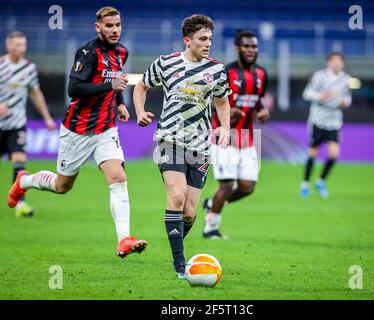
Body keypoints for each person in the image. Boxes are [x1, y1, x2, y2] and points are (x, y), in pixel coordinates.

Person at [7, 6, 147, 257]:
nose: (114, 30)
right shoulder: (88, 53)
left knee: (118, 178)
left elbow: (116, 83)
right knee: (62, 186)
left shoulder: (121, 52)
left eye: (117, 25)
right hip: (78, 130)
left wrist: (121, 103)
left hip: (106, 128)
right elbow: (74, 88)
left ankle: (124, 239)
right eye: (109, 26)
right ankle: (25, 180)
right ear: (98, 27)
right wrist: (109, 84)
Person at [133, 14, 231, 279]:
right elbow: (141, 86)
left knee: (188, 212)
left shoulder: (217, 70)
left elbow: (222, 101)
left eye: (210, 38)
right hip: (170, 140)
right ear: (188, 41)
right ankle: (179, 265)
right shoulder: (166, 63)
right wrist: (140, 111)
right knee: (175, 197)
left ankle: (176, 243)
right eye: (202, 39)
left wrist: (224, 127)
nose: (208, 43)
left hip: (200, 145)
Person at [202, 30, 269, 239]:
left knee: (248, 187)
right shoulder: (225, 72)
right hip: (223, 136)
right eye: (247, 46)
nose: (251, 50)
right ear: (237, 48)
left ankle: (212, 204)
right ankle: (211, 227)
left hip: (247, 138)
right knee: (227, 184)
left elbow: (256, 98)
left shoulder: (261, 74)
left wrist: (261, 110)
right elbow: (207, 101)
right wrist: (226, 111)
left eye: (254, 47)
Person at [0, 31, 56, 217]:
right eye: (17, 45)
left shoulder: (28, 68)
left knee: (19, 162)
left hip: (17, 124)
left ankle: (20, 205)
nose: (20, 48)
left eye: (23, 45)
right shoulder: (1, 65)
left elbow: (35, 93)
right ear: (8, 46)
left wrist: (47, 118)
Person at [300, 52, 351, 198]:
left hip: (334, 121)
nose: (336, 64)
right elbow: (307, 93)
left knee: (334, 155)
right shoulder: (320, 76)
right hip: (318, 120)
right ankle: (305, 183)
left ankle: (320, 181)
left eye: (339, 61)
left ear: (343, 63)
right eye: (334, 61)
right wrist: (320, 96)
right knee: (313, 153)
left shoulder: (345, 79)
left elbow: (347, 97)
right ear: (328, 62)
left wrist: (345, 102)